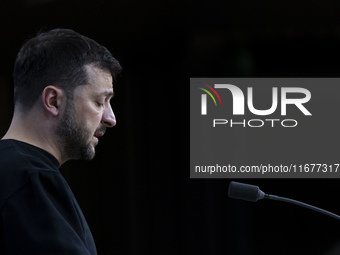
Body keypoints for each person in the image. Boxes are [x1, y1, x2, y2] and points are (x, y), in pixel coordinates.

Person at [0, 28, 122, 254]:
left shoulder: (12, 173)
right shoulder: (32, 179)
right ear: (53, 100)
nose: (110, 118)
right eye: (99, 102)